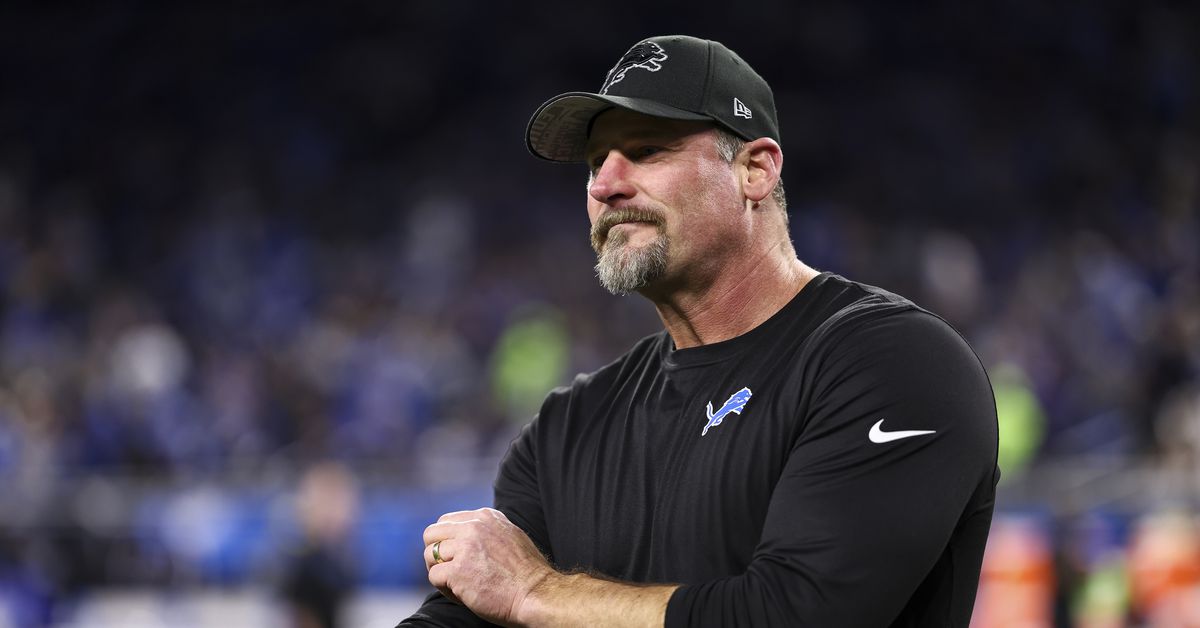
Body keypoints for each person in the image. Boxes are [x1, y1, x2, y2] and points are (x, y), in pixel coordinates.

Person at [398, 34, 999, 627]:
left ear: (754, 171)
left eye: (646, 150)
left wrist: (536, 592)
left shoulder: (895, 364)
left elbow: (798, 614)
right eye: (595, 163)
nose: (605, 185)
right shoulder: (567, 428)